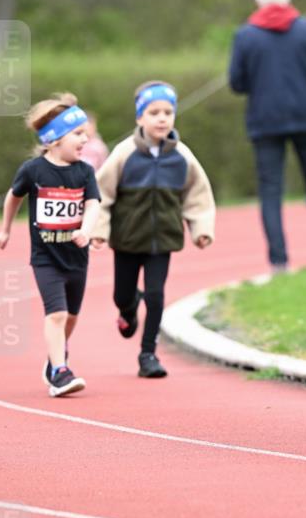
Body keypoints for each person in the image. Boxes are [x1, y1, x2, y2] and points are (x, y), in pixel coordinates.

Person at [91, 80, 215, 378]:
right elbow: (102, 193)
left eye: (168, 112)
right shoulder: (124, 153)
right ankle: (128, 307)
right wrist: (99, 230)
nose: (162, 118)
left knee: (157, 294)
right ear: (139, 118)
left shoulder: (182, 155)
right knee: (122, 295)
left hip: (163, 239)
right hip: (127, 239)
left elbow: (197, 194)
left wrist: (200, 228)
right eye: (154, 112)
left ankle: (148, 354)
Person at [228, 0, 306, 271]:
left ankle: (279, 261)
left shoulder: (245, 35)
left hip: (265, 121)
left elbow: (237, 83)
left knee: (270, 191)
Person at [0, 92, 100, 396]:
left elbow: (93, 204)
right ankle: (59, 372)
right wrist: (5, 230)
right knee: (55, 315)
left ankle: (56, 358)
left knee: (71, 318)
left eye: (86, 134)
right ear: (54, 139)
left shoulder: (85, 172)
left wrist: (86, 229)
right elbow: (13, 197)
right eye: (78, 134)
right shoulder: (33, 170)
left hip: (77, 257)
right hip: (45, 258)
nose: (86, 140)